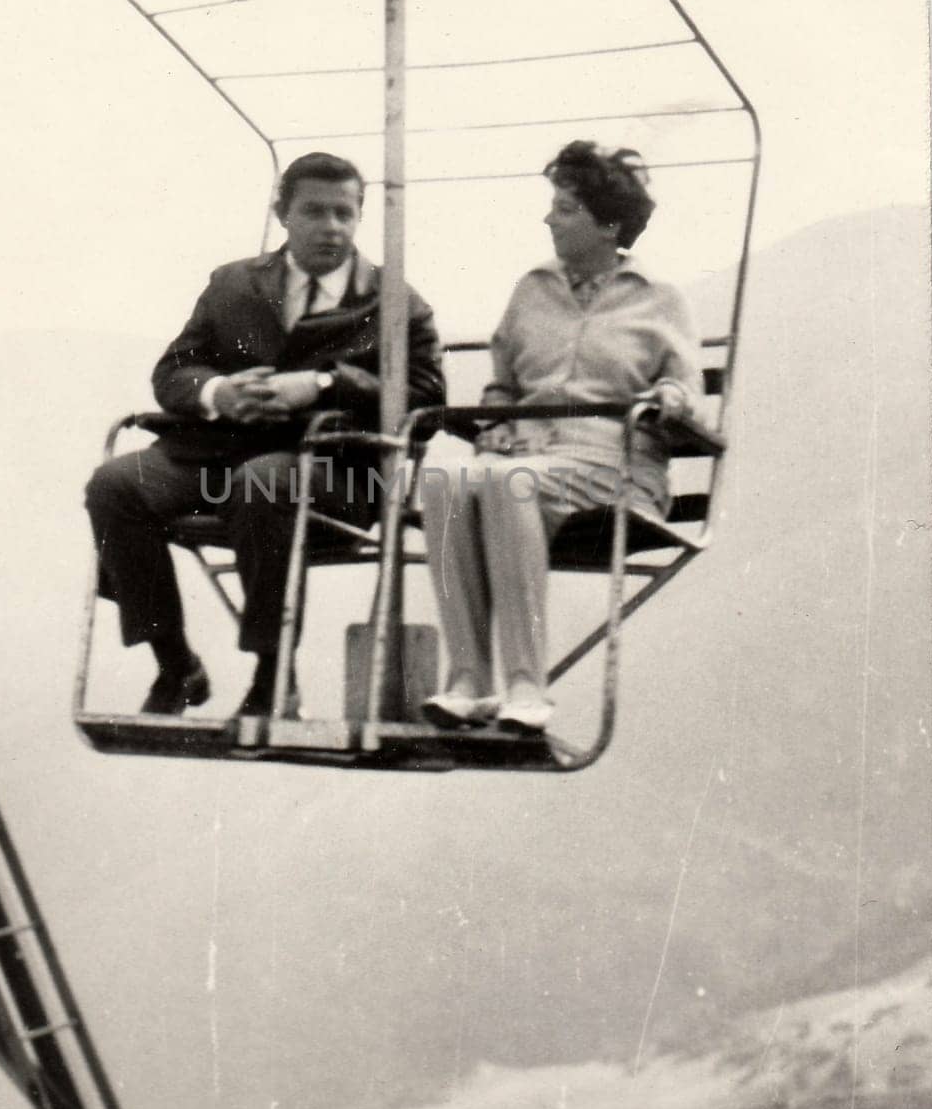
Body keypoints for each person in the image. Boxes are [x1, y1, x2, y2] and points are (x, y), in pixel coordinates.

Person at [85, 151, 445, 717]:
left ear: (359, 217)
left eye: (344, 214)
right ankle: (175, 664)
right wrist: (219, 393)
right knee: (116, 485)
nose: (331, 227)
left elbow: (425, 397)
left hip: (335, 473)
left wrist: (326, 385)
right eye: (315, 212)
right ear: (283, 214)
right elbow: (174, 370)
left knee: (263, 484)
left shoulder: (394, 302)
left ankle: (274, 677)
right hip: (218, 459)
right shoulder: (233, 284)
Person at [420, 140, 700, 736]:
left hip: (613, 465)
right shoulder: (531, 291)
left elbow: (683, 391)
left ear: (609, 224)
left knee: (506, 482)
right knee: (444, 478)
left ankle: (526, 686)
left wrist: (666, 402)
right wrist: (496, 426)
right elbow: (503, 386)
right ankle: (468, 678)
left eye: (566, 209)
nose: (550, 219)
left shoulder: (659, 299)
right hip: (530, 458)